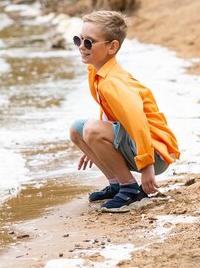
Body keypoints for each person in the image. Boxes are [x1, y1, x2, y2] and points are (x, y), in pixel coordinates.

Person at [69, 11, 180, 212]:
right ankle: (117, 184)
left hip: (155, 154)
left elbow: (137, 122)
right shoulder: (97, 73)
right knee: (78, 129)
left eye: (89, 43)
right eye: (79, 39)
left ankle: (129, 189)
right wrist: (92, 145)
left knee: (92, 129)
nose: (81, 47)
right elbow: (110, 113)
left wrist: (147, 167)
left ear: (112, 47)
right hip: (141, 146)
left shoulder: (113, 81)